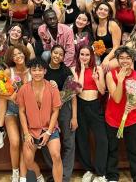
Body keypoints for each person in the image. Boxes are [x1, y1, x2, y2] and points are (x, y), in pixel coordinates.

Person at [105, 46, 136, 182]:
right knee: (113, 149)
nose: (124, 61)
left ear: (132, 59)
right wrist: (121, 80)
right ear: (117, 60)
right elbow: (116, 98)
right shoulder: (110, 75)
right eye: (121, 58)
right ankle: (112, 176)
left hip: (132, 119)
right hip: (113, 118)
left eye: (128, 58)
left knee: (135, 150)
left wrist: (135, 104)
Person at [17, 57, 62, 182]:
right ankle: (38, 175)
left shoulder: (53, 88)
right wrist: (26, 134)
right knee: (28, 161)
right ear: (30, 71)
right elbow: (21, 111)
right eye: (34, 70)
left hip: (50, 129)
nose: (37, 73)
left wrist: (48, 132)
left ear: (45, 71)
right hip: (31, 130)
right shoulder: (23, 89)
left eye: (40, 70)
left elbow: (55, 111)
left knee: (56, 155)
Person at [0, 45, 33, 181]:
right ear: (11, 58)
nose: (18, 56)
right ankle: (15, 172)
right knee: (15, 142)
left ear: (25, 54)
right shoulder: (9, 71)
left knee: (26, 142)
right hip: (12, 110)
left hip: (28, 112)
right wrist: (10, 97)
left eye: (20, 53)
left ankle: (23, 176)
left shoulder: (33, 70)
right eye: (14, 55)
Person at [72, 46, 107, 182]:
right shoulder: (74, 69)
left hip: (95, 106)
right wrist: (81, 68)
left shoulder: (98, 69)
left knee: (102, 139)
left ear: (91, 55)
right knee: (82, 139)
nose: (85, 57)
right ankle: (87, 170)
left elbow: (103, 91)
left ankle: (100, 172)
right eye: (82, 54)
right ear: (78, 55)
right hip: (81, 106)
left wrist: (96, 79)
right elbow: (78, 90)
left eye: (87, 54)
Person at [43, 45, 78, 182]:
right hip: (47, 110)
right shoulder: (43, 70)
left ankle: (65, 177)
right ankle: (55, 172)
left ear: (64, 57)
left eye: (60, 54)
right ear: (51, 54)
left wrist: (74, 117)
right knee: (46, 140)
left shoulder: (67, 71)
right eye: (55, 53)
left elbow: (73, 95)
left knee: (69, 142)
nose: (57, 56)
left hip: (64, 110)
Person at [92, 2, 121, 68]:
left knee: (102, 69)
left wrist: (107, 59)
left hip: (114, 56)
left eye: (106, 10)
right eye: (100, 9)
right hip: (101, 56)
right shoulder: (95, 27)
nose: (102, 11)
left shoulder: (112, 24)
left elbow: (116, 47)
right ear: (96, 11)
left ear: (108, 14)